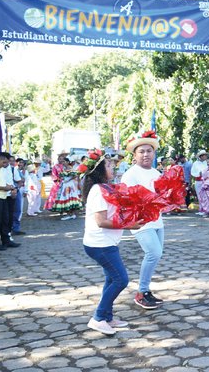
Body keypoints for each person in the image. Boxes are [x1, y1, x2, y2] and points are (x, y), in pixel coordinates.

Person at [81, 153, 143, 335]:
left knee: (111, 278)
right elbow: (101, 221)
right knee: (121, 279)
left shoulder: (104, 188)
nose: (113, 168)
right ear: (99, 170)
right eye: (109, 166)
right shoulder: (99, 191)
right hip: (100, 245)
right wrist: (128, 224)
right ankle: (98, 318)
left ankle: (107, 317)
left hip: (105, 243)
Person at [122, 132, 166, 309]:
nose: (146, 154)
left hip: (157, 221)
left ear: (154, 153)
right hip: (141, 222)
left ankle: (146, 291)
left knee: (157, 254)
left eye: (149, 151)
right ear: (135, 155)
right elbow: (125, 199)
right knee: (153, 253)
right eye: (142, 151)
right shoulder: (131, 174)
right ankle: (140, 292)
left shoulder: (156, 173)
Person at [49, 154, 81, 220]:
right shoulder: (64, 168)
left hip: (69, 185)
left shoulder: (70, 168)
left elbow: (74, 175)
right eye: (62, 162)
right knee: (66, 198)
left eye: (64, 162)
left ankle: (71, 214)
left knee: (69, 198)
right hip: (65, 184)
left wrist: (68, 179)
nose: (63, 163)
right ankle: (69, 214)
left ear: (67, 162)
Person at [191, 150, 209, 216]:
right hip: (198, 181)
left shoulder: (207, 162)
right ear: (201, 156)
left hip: (206, 181)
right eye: (204, 155)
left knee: (206, 196)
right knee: (200, 196)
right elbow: (192, 172)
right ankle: (201, 209)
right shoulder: (195, 163)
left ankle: (206, 210)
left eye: (206, 155)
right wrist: (199, 174)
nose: (205, 156)